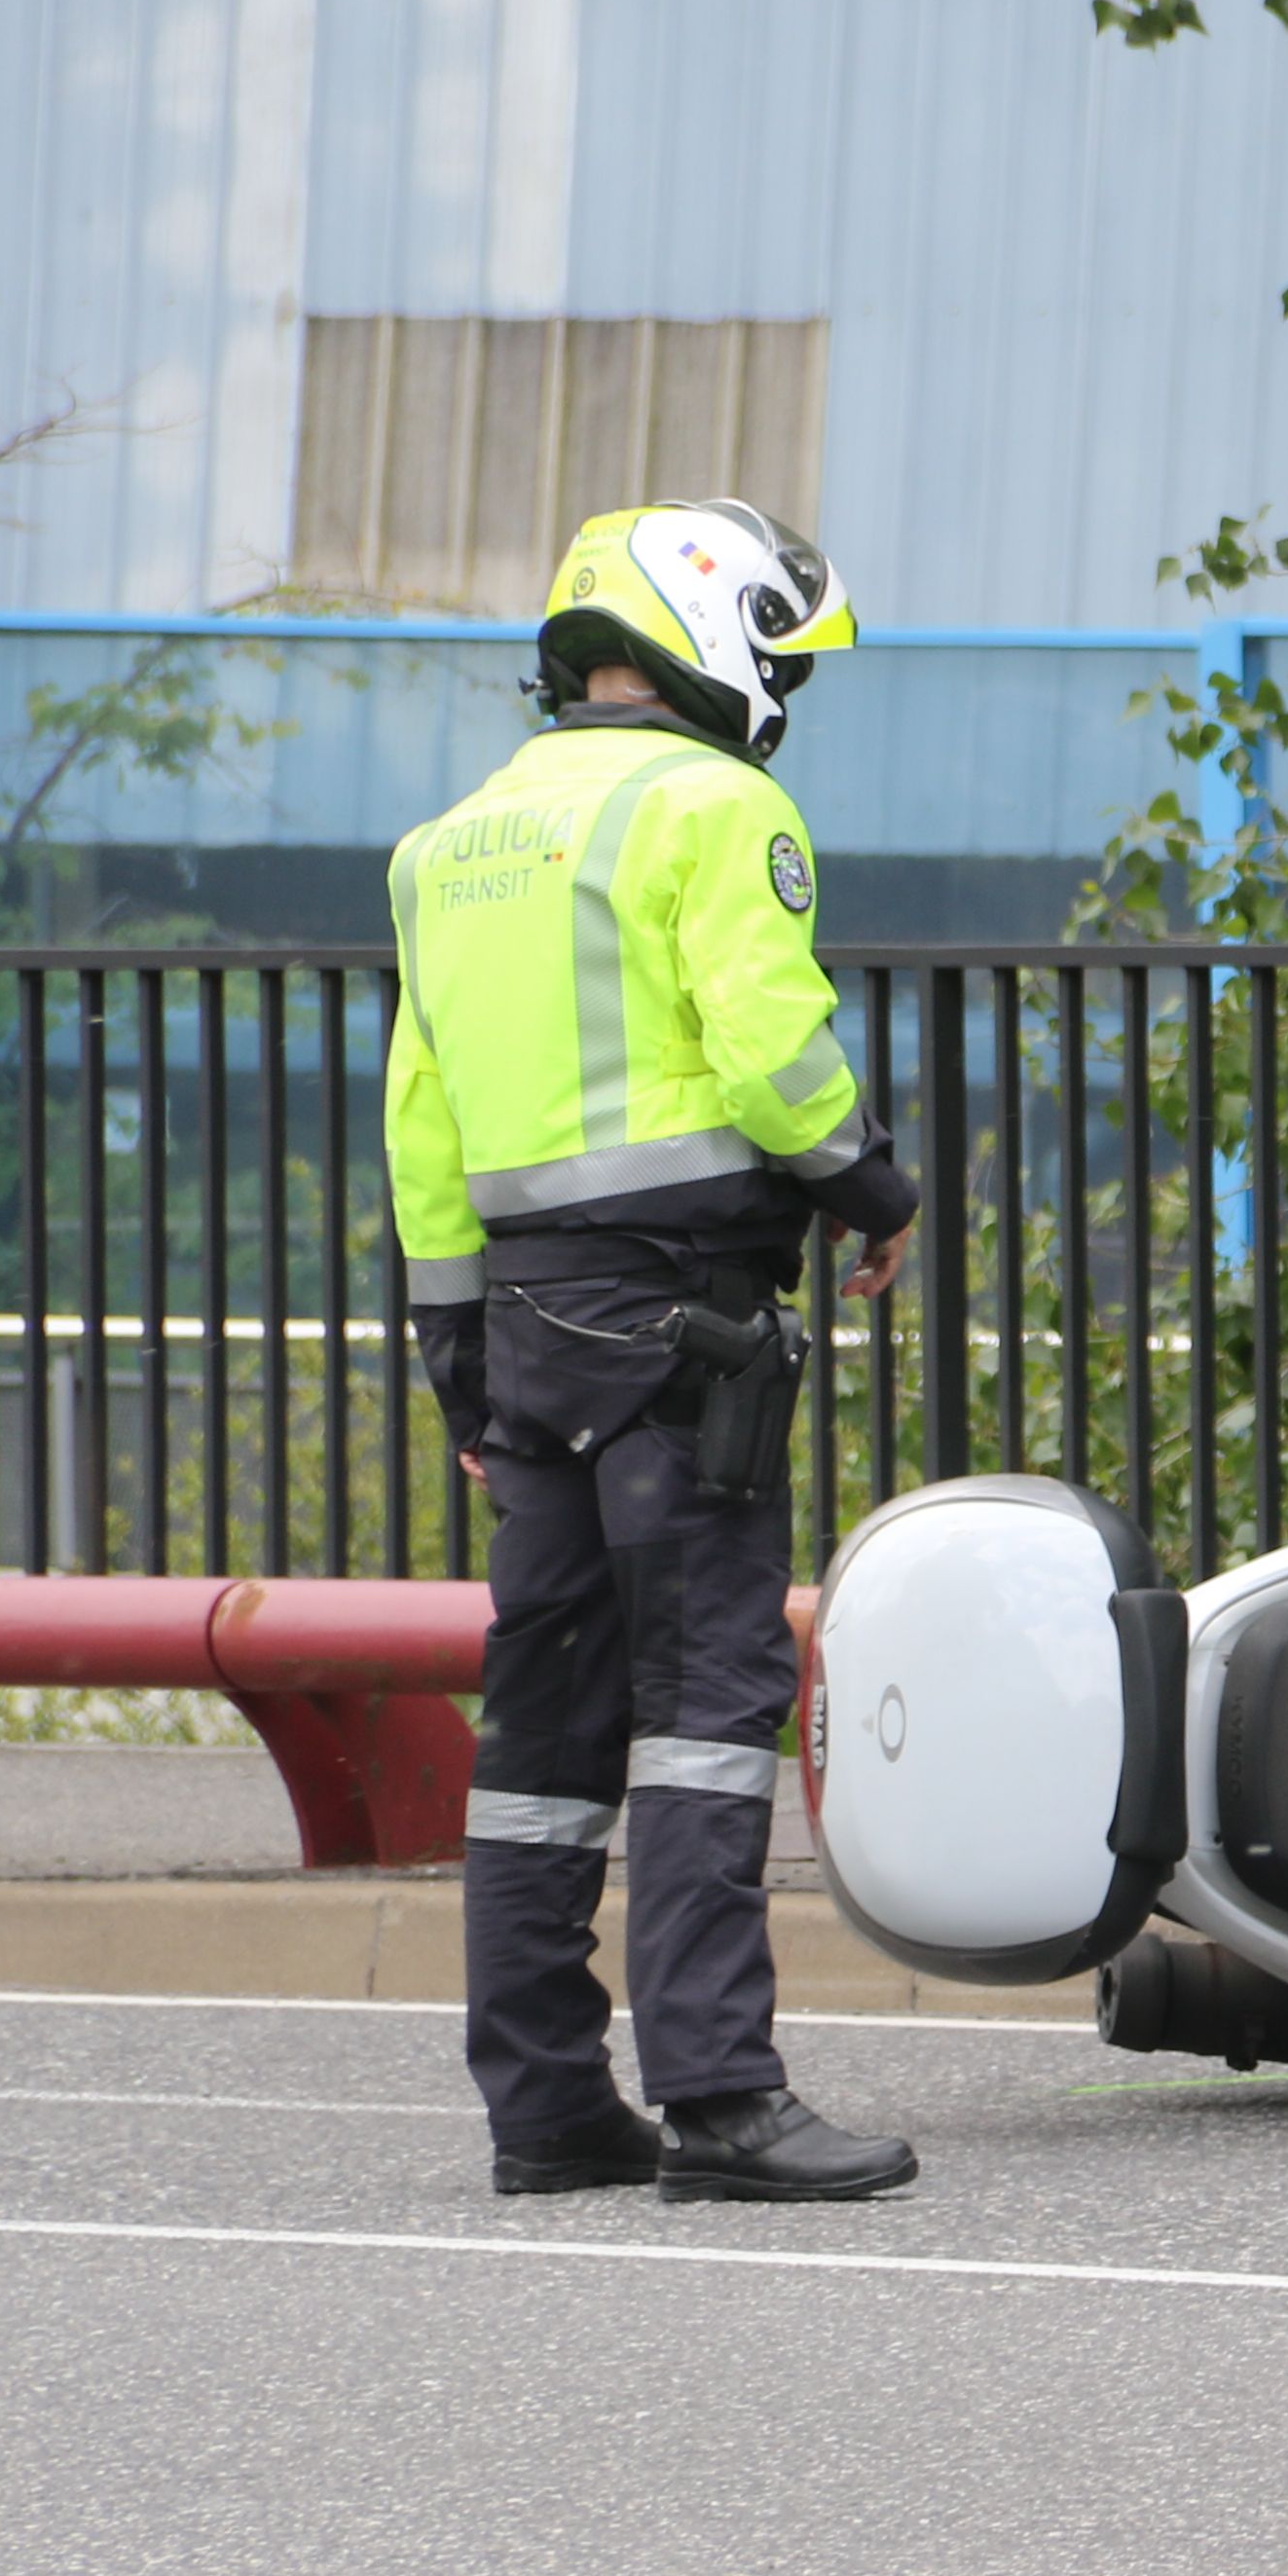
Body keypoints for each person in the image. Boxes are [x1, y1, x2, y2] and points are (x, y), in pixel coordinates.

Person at [386, 499, 923, 2204]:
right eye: (779, 652)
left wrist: (455, 1349)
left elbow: (421, 1120)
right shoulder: (713, 804)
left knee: (543, 1714)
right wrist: (870, 1181)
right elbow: (769, 1045)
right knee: (707, 1699)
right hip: (681, 1316)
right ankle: (720, 2098)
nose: (784, 691)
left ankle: (545, 2100)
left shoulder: (450, 840)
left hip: (525, 1327)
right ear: (712, 632)